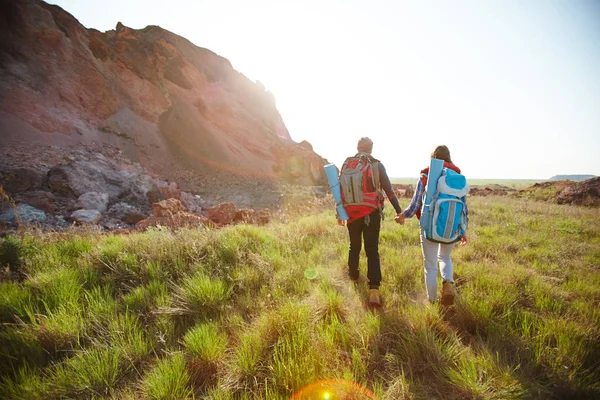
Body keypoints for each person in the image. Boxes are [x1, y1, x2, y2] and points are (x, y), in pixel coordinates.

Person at [395, 145, 468, 306]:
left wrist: (402, 216)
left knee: (430, 265)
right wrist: (462, 230)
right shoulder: (457, 176)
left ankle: (432, 301)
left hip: (428, 226)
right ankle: (448, 282)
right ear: (449, 157)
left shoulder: (426, 175)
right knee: (445, 257)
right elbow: (463, 206)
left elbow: (415, 205)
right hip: (451, 227)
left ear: (433, 158)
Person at [339, 137, 403, 307]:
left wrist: (339, 213)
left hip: (351, 213)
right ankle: (374, 290)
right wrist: (399, 211)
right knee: (372, 249)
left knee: (354, 247)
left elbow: (339, 191)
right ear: (371, 148)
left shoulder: (347, 165)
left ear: (357, 147)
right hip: (371, 213)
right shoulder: (376, 165)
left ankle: (353, 277)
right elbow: (388, 190)